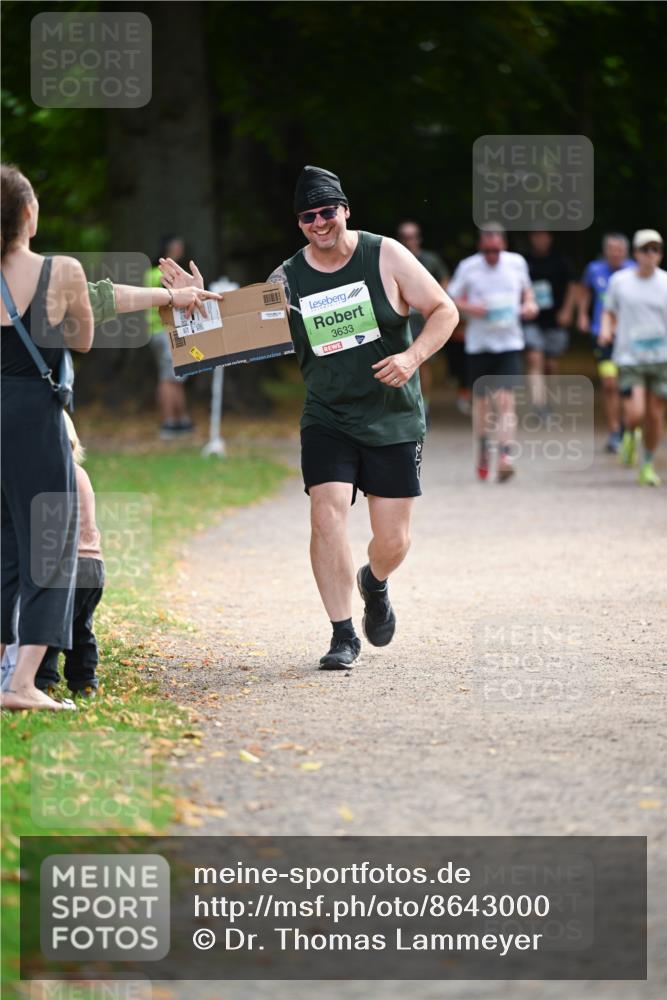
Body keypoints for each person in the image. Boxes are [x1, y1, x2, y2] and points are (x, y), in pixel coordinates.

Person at [1, 163, 93, 711]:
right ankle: (21, 684)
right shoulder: (60, 270)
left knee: (6, 546)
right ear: (29, 214)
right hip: (33, 416)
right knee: (50, 543)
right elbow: (81, 339)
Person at [448, 226, 538, 481]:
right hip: (479, 346)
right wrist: (471, 308)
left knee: (506, 402)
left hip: (509, 343)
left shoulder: (516, 263)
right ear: (480, 247)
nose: (491, 256)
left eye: (496, 251)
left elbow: (527, 291)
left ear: (504, 245)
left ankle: (506, 455)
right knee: (483, 406)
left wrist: (529, 304)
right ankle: (485, 447)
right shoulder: (469, 267)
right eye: (487, 251)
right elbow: (449, 298)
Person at [35, 413, 105, 696]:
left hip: (66, 566)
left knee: (49, 624)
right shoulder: (80, 474)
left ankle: (43, 680)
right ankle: (84, 679)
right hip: (94, 566)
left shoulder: (48, 476)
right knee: (80, 626)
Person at [598, 229, 667, 486]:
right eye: (645, 249)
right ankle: (628, 433)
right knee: (636, 413)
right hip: (630, 357)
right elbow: (608, 311)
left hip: (661, 358)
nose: (651, 255)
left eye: (655, 249)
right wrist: (606, 329)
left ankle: (647, 464)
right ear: (636, 253)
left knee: (655, 415)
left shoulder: (665, 282)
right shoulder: (621, 281)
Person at [578, 233, 635, 452]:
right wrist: (582, 314)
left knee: (626, 385)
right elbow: (584, 291)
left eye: (619, 249)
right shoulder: (594, 269)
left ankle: (627, 427)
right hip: (602, 335)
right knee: (609, 384)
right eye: (611, 248)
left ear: (626, 251)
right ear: (605, 251)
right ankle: (614, 431)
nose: (615, 253)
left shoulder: (633, 271)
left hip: (629, 337)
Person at [144, 236, 194, 440]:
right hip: (165, 332)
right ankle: (169, 422)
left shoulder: (151, 273)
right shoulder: (162, 275)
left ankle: (181, 419)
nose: (179, 249)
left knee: (176, 376)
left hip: (159, 332)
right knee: (168, 378)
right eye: (176, 245)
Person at [396, 220, 450, 409]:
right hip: (401, 318)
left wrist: (435, 306)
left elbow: (444, 281)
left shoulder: (430, 260)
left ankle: (423, 404)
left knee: (422, 362)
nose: (408, 241)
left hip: (422, 319)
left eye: (411, 237)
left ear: (418, 238)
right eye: (404, 237)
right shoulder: (394, 259)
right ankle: (406, 403)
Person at [523, 231, 577, 414]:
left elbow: (572, 286)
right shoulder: (524, 261)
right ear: (531, 238)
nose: (540, 240)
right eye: (536, 236)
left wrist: (567, 311)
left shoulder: (561, 261)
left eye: (543, 236)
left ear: (549, 238)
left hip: (555, 319)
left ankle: (549, 400)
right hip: (531, 318)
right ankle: (539, 405)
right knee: (534, 359)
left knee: (551, 365)